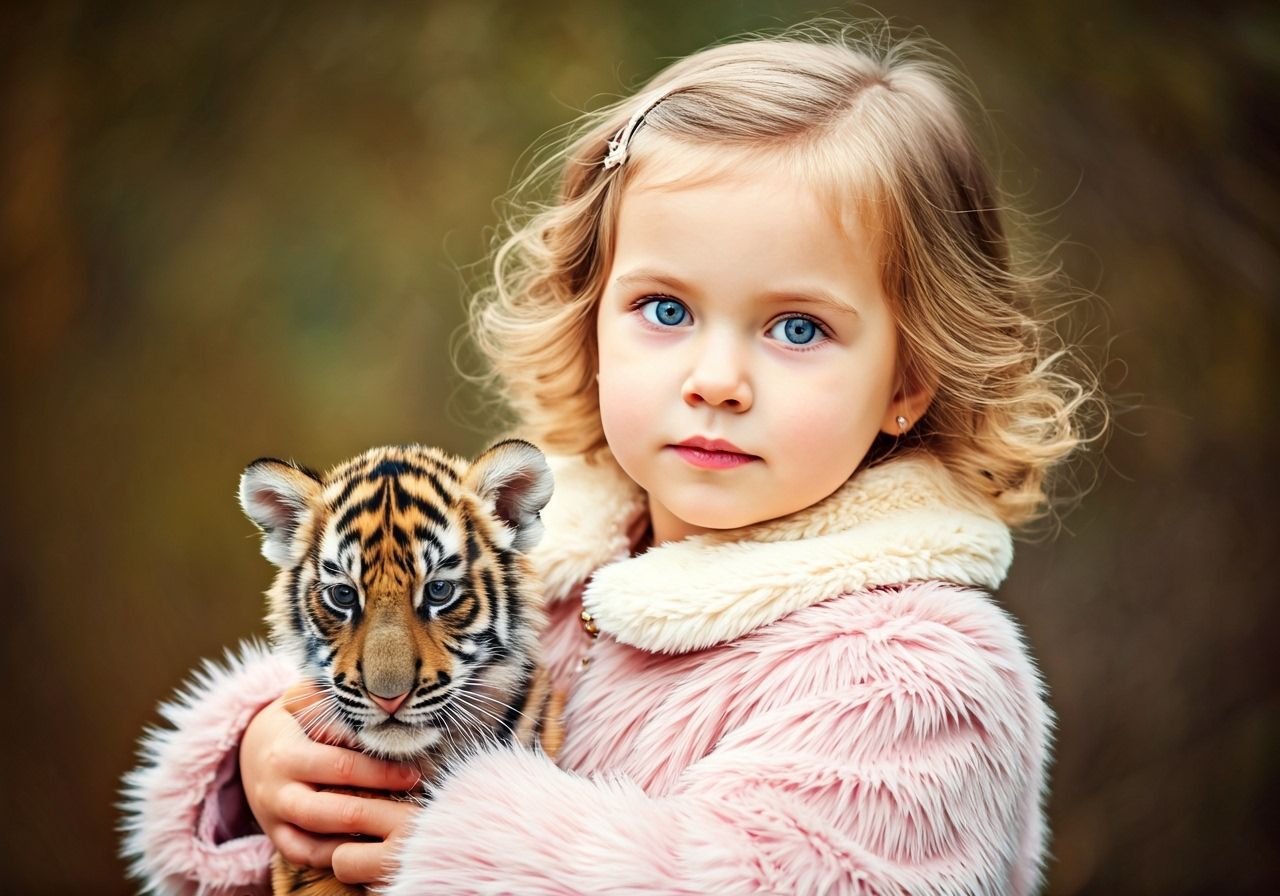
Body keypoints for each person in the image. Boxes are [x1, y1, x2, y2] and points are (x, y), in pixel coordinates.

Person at [121, 23, 1101, 895]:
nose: (716, 379)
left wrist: (472, 856)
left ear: (907, 380)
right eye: (665, 309)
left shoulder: (917, 677)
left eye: (795, 326)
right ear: (589, 323)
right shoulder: (534, 576)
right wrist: (269, 769)